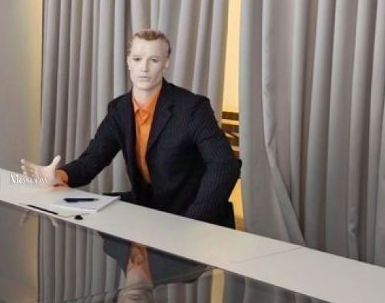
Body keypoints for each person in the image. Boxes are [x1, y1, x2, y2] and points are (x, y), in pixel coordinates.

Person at [22, 29, 239, 225]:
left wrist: (193, 223)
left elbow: (225, 165)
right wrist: (59, 176)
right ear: (128, 62)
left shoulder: (192, 108)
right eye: (137, 59)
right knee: (94, 223)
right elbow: (92, 159)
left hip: (190, 215)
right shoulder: (119, 109)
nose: (144, 68)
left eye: (154, 60)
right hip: (147, 215)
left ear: (166, 64)